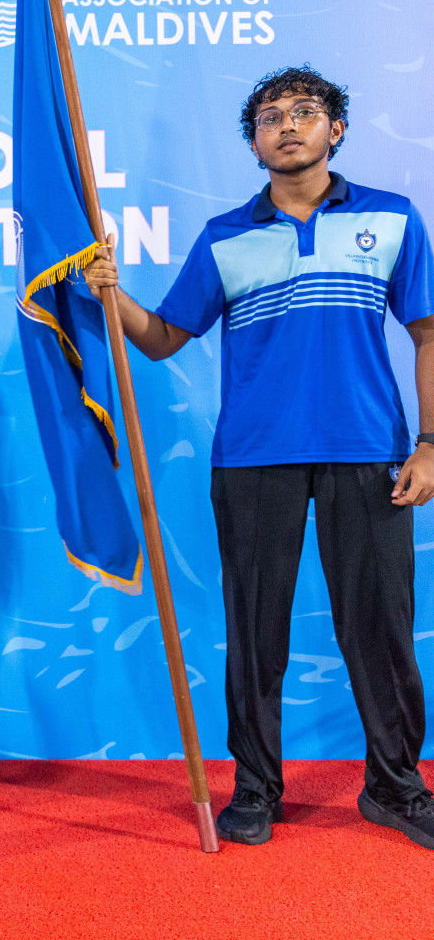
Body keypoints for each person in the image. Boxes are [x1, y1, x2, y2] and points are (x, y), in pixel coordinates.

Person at [85, 66, 434, 848]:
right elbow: (164, 337)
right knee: (254, 631)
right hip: (252, 458)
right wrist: (114, 293)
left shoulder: (395, 219)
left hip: (369, 453)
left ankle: (396, 787)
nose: (286, 126)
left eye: (304, 112)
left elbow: (428, 334)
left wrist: (431, 445)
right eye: (270, 117)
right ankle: (255, 787)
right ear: (253, 142)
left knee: (380, 627)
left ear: (334, 129)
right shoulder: (225, 237)